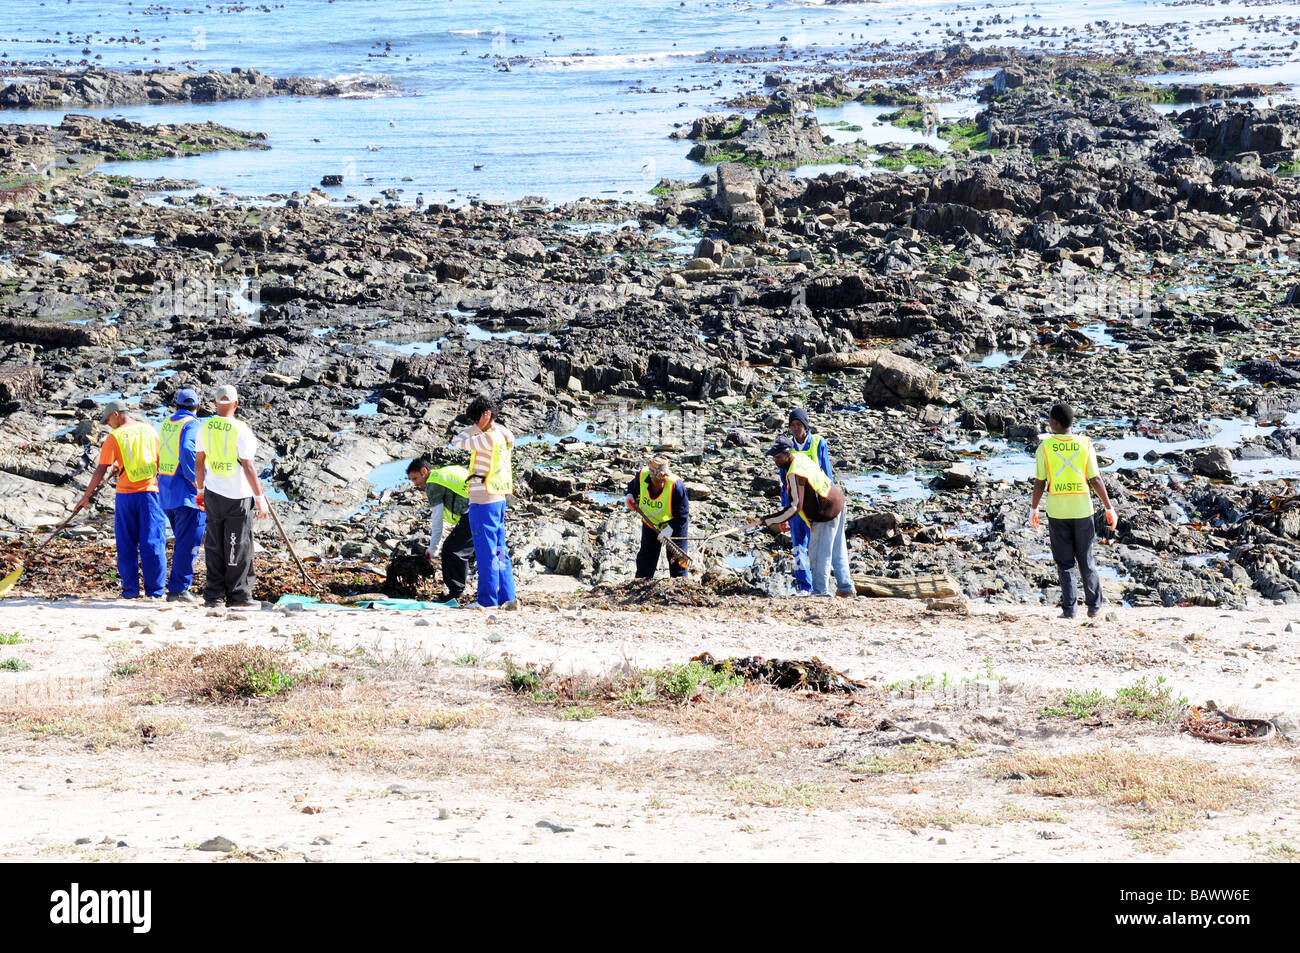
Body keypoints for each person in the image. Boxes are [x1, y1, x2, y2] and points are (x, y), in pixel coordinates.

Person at [1030, 401, 1118, 620]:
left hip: (1058, 511)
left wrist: (1033, 508)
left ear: (1055, 422)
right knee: (1086, 560)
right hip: (1082, 510)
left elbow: (1040, 481)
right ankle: (1094, 607)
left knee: (1065, 562)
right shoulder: (1085, 444)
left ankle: (1069, 610)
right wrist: (1109, 507)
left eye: (1050, 418)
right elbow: (1095, 479)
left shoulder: (1045, 447)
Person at [75, 399, 167, 600]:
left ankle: (130, 591)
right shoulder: (150, 430)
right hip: (151, 493)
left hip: (126, 496)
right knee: (153, 543)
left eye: (107, 419)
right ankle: (156, 592)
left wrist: (86, 496)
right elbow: (160, 462)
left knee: (127, 544)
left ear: (116, 414)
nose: (108, 424)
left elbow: (100, 470)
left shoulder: (114, 437)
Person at [753, 435, 855, 598]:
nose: (775, 460)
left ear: (787, 454)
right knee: (838, 549)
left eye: (778, 456)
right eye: (774, 456)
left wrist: (769, 520)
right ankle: (845, 587)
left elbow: (795, 506)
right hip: (838, 501)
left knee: (818, 553)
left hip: (825, 511)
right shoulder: (800, 457)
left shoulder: (794, 473)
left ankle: (820, 592)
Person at [194, 384, 267, 609]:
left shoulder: (204, 427)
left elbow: (199, 462)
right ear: (236, 403)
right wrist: (260, 496)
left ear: (215, 403)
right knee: (239, 545)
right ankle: (239, 596)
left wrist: (200, 490)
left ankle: (214, 596)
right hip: (238, 497)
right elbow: (248, 466)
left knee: (215, 545)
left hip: (213, 493)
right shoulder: (241, 430)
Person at [450, 394, 517, 609]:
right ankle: (507, 597)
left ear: (484, 416)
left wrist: (479, 427)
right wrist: (486, 422)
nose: (474, 424)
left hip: (483, 499)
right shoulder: (505, 434)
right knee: (499, 549)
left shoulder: (487, 437)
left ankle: (487, 601)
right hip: (498, 497)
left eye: (475, 419)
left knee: (486, 550)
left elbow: (457, 441)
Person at [157, 388, 205, 603]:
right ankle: (179, 590)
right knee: (189, 544)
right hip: (187, 495)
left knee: (182, 542)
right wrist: (195, 479)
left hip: (167, 492)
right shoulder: (193, 425)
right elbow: (186, 448)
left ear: (176, 405)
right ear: (198, 405)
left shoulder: (168, 423)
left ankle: (177, 587)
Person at [406, 456, 475, 604]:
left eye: (415, 478)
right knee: (471, 549)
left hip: (472, 512)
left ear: (424, 471)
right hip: (484, 505)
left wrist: (433, 548)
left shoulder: (432, 484)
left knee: (452, 550)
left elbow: (437, 520)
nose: (415, 484)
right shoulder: (444, 473)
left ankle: (456, 593)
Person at [784, 408, 834, 593]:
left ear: (805, 426)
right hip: (796, 506)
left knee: (817, 546)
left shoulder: (818, 443)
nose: (796, 429)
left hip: (815, 506)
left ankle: (820, 586)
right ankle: (804, 587)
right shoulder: (787, 448)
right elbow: (784, 484)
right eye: (792, 425)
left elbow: (827, 475)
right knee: (798, 546)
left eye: (799, 425)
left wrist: (828, 505)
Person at [624, 454, 689, 579]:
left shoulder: (676, 486)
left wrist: (669, 529)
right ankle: (641, 584)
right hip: (650, 523)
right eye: (658, 481)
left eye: (663, 480)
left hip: (675, 526)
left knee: (677, 560)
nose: (661, 484)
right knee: (646, 557)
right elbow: (631, 489)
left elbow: (683, 515)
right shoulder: (642, 477)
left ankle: (679, 588)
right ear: (651, 477)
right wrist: (629, 497)